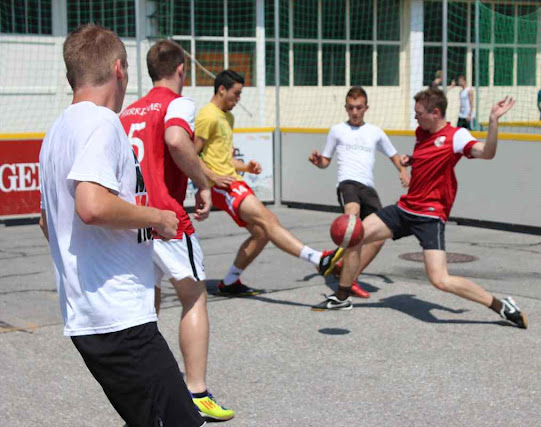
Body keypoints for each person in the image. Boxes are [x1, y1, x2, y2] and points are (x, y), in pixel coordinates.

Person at [38, 24, 205, 426]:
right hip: (118, 318)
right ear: (119, 70)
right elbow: (92, 206)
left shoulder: (55, 132)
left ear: (69, 77)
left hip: (86, 316)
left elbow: (47, 220)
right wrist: (157, 217)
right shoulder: (102, 122)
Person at [311, 88, 528, 330]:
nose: (415, 118)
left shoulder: (456, 136)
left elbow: (487, 153)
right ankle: (341, 297)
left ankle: (501, 306)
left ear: (435, 113)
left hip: (429, 216)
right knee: (355, 234)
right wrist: (410, 160)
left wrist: (493, 122)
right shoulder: (422, 132)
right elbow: (429, 156)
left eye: (419, 113)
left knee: (440, 280)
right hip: (405, 208)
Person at [120, 39, 234, 421]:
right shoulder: (177, 103)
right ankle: (197, 391)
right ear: (181, 69)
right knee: (193, 297)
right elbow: (174, 139)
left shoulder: (128, 112)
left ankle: (151, 386)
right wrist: (202, 181)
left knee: (145, 303)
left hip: (133, 219)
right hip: (166, 217)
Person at [195, 69, 342, 296]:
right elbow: (191, 155)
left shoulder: (228, 117)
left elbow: (222, 157)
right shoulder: (208, 115)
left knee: (262, 233)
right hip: (222, 186)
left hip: (232, 180)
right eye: (236, 93)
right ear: (221, 89)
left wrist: (245, 167)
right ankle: (318, 259)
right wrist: (213, 178)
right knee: (269, 219)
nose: (239, 99)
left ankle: (230, 282)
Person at [308, 86, 410, 298]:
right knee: (352, 221)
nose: (355, 112)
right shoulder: (337, 130)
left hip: (368, 189)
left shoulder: (375, 132)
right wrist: (319, 162)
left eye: (359, 108)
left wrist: (403, 171)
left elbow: (394, 155)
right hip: (348, 184)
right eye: (351, 108)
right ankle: (335, 264)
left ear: (366, 108)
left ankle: (349, 276)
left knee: (380, 236)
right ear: (346, 107)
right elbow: (326, 161)